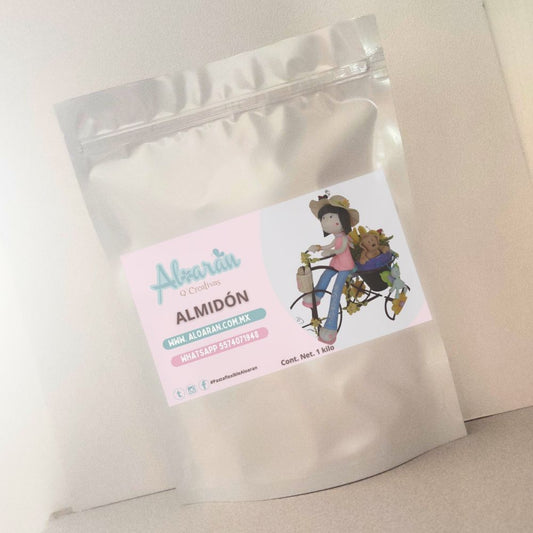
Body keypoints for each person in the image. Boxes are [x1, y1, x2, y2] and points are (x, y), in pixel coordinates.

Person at [306, 194, 359, 344]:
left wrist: (330, 252)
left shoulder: (343, 238)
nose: (325, 221)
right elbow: (329, 246)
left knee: (336, 292)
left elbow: (340, 249)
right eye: (323, 218)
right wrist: (318, 247)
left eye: (330, 217)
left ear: (343, 219)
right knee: (325, 275)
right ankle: (317, 296)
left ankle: (331, 326)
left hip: (345, 265)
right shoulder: (337, 238)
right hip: (337, 262)